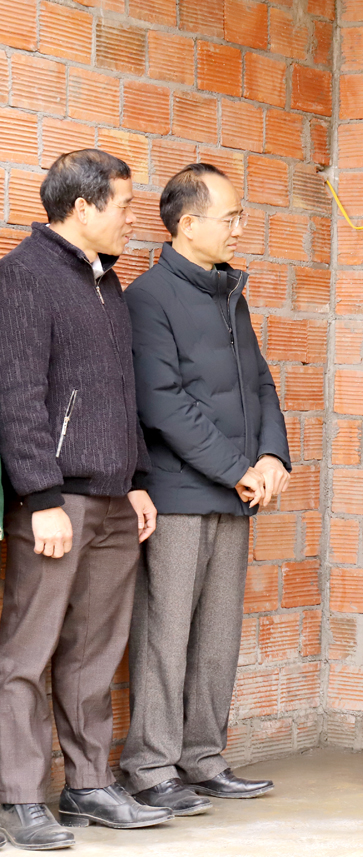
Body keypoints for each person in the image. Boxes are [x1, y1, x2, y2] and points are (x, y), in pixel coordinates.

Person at [0, 150, 173, 850]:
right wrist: (39, 494)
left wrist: (135, 478)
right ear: (83, 208)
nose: (134, 220)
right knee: (28, 652)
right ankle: (18, 795)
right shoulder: (24, 278)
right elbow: (16, 394)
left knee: (95, 653)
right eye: (125, 206)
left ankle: (89, 785)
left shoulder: (108, 284)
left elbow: (118, 395)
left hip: (111, 497)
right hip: (56, 501)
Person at [119, 163, 291, 815]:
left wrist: (273, 454)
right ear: (188, 225)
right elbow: (162, 402)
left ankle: (202, 756)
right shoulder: (149, 298)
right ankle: (150, 763)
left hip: (234, 492)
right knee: (165, 632)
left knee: (218, 633)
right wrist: (235, 465)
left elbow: (261, 383)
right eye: (232, 217)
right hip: (179, 493)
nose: (241, 228)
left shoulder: (229, 293)